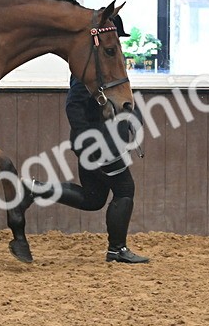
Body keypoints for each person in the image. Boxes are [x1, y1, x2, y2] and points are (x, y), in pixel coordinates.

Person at [56, 76, 150, 263]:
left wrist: (134, 118)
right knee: (124, 189)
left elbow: (127, 98)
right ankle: (117, 249)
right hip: (100, 143)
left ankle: (35, 188)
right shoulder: (86, 71)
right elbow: (74, 106)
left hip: (106, 142)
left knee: (93, 198)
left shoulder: (111, 68)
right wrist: (87, 141)